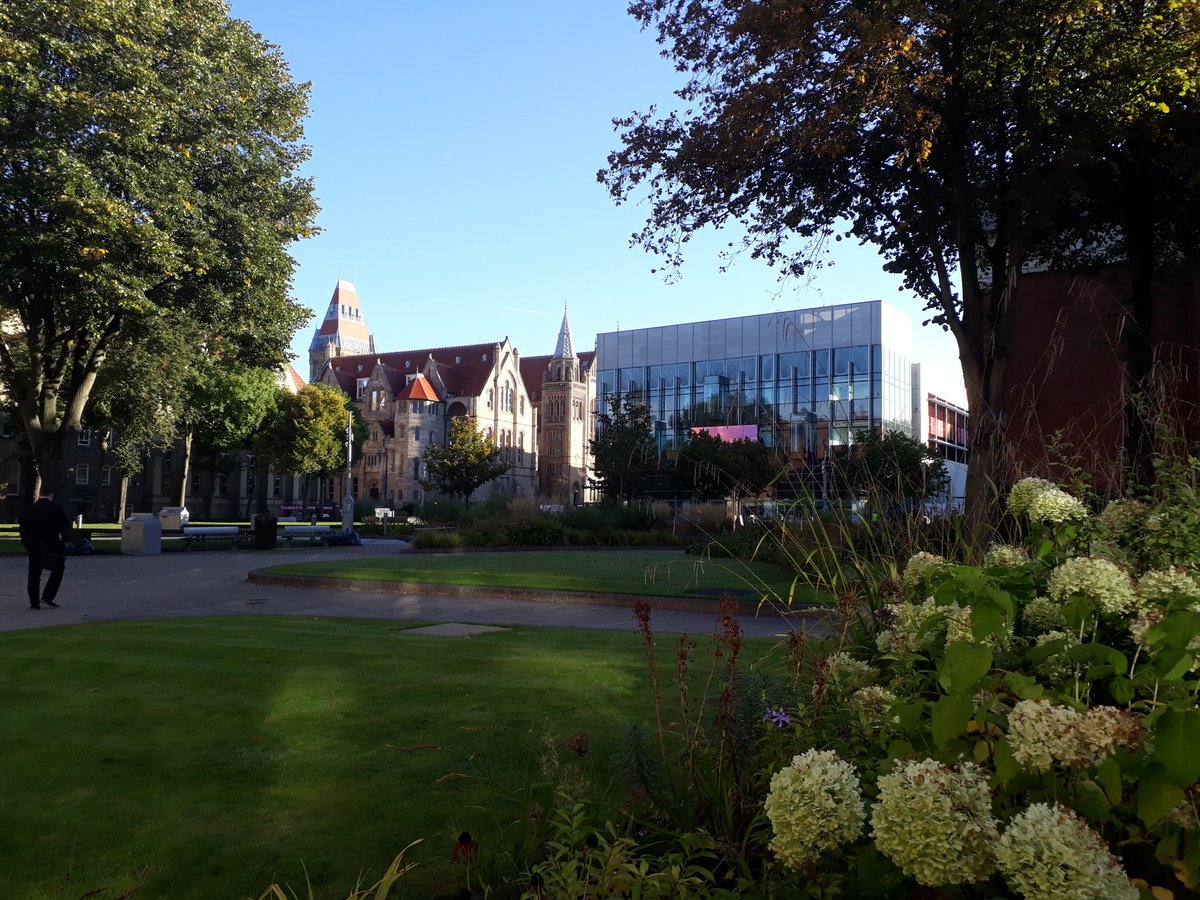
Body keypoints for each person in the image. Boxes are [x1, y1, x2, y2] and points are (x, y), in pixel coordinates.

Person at [18, 489, 71, 610]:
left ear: (40, 494)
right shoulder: (56, 508)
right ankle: (48, 595)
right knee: (58, 568)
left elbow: (23, 528)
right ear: (51, 495)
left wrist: (27, 544)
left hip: (34, 546)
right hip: (52, 545)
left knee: (34, 574)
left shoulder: (30, 509)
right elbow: (64, 525)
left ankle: (34, 602)